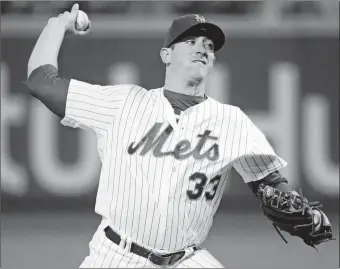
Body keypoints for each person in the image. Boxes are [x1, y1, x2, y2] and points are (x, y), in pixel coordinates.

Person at [25, 3, 334, 268]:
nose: (203, 47)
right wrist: (58, 24)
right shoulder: (123, 103)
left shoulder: (231, 121)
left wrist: (298, 205)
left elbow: (270, 184)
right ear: (166, 54)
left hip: (186, 260)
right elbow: (40, 81)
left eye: (209, 46)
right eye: (191, 41)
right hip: (115, 255)